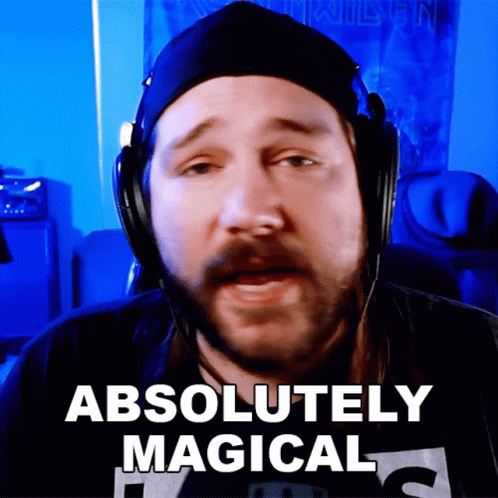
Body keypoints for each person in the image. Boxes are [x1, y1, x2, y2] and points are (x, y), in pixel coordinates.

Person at [1, 2, 498, 497]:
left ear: (371, 191)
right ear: (141, 207)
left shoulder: (484, 363)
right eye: (200, 166)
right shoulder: (61, 375)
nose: (251, 212)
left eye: (298, 160)